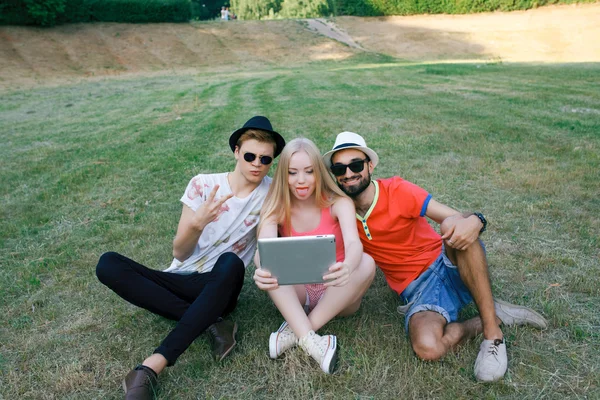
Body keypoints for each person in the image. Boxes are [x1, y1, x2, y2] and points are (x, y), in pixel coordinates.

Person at [323, 132, 548, 382]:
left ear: (370, 165)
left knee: (458, 231)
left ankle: (492, 336)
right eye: (339, 168)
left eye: (355, 165)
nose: (348, 173)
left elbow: (455, 218)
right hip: (418, 291)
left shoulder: (397, 190)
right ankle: (489, 317)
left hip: (446, 261)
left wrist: (477, 219)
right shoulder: (339, 214)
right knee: (428, 348)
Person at [96, 116, 285, 399]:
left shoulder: (272, 193)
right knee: (108, 263)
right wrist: (198, 223)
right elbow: (180, 252)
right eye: (250, 155)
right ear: (236, 152)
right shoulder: (203, 184)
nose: (257, 163)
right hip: (180, 278)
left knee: (230, 261)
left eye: (265, 159)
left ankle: (150, 367)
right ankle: (212, 322)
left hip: (222, 282)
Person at [253, 138, 376, 374]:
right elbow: (264, 247)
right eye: (292, 173)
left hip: (339, 290)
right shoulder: (276, 206)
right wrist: (261, 271)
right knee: (263, 259)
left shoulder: (338, 202)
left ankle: (296, 331)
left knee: (367, 262)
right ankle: (314, 342)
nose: (301, 180)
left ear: (319, 173)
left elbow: (353, 242)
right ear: (283, 176)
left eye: (309, 172)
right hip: (299, 292)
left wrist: (348, 266)